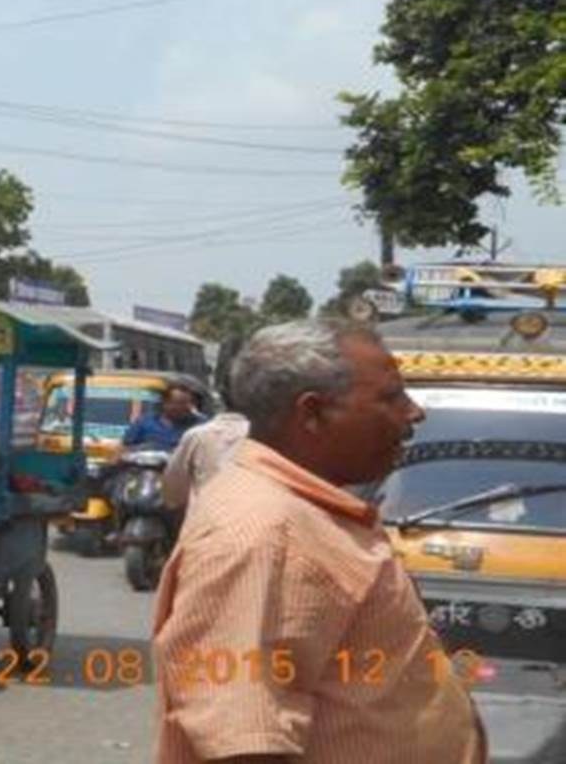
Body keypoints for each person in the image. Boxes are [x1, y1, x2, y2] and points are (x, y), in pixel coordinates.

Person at [152, 320, 485, 764]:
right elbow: (244, 741)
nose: (413, 412)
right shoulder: (262, 533)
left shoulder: (305, 513)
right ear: (311, 413)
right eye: (390, 397)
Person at [162, 377, 251, 511]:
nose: (179, 407)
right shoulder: (261, 435)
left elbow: (173, 491)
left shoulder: (197, 435)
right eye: (175, 403)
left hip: (204, 516)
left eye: (184, 403)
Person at [123, 383, 205, 451]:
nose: (183, 407)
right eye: (178, 403)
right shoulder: (145, 423)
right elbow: (126, 447)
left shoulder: (200, 425)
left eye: (187, 403)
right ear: (165, 403)